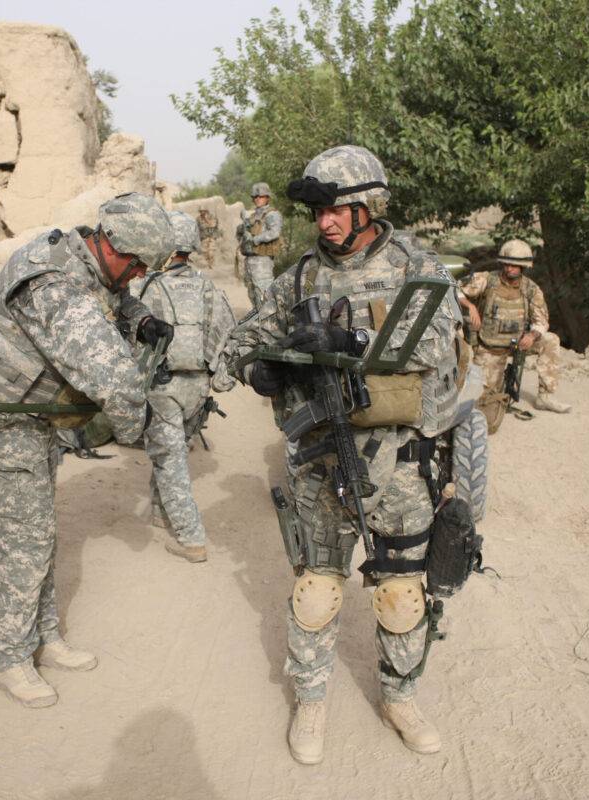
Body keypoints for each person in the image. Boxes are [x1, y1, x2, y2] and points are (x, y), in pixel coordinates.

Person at [226, 146, 466, 765]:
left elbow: (435, 342)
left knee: (401, 592)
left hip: (400, 460)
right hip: (321, 457)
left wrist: (348, 338)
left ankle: (400, 697)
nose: (325, 221)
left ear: (368, 207)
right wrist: (264, 366)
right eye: (317, 211)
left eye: (336, 209)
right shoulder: (302, 274)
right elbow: (243, 338)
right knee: (316, 588)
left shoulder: (416, 264)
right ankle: (311, 700)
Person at [0, 193, 175, 708]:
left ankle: (43, 637)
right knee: (18, 544)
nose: (137, 275)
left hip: (28, 419)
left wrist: (140, 319)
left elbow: (112, 297)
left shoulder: (84, 254)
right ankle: (11, 658)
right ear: (113, 245)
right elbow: (116, 381)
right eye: (136, 264)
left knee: (40, 533)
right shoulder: (51, 285)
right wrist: (133, 430)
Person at [132, 210, 237, 562]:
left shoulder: (149, 287)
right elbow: (226, 331)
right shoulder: (208, 286)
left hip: (164, 386)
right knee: (171, 454)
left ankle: (192, 540)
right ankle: (162, 513)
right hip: (199, 388)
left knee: (170, 460)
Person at [458, 239, 572, 420]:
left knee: (550, 340)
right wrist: (470, 306)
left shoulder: (531, 289)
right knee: (484, 398)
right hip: (490, 347)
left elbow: (541, 320)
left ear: (523, 267)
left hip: (518, 343)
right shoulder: (487, 280)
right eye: (507, 264)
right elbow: (455, 289)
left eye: (515, 265)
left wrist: (532, 335)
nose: (510, 268)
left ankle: (546, 396)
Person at [237, 182, 283, 308]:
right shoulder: (252, 216)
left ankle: (268, 324)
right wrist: (242, 231)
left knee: (264, 295)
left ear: (267, 197)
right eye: (255, 197)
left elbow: (275, 232)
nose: (257, 199)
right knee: (252, 294)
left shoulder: (272, 214)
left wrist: (256, 239)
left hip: (262, 260)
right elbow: (242, 236)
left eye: (261, 196)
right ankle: (259, 323)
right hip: (250, 259)